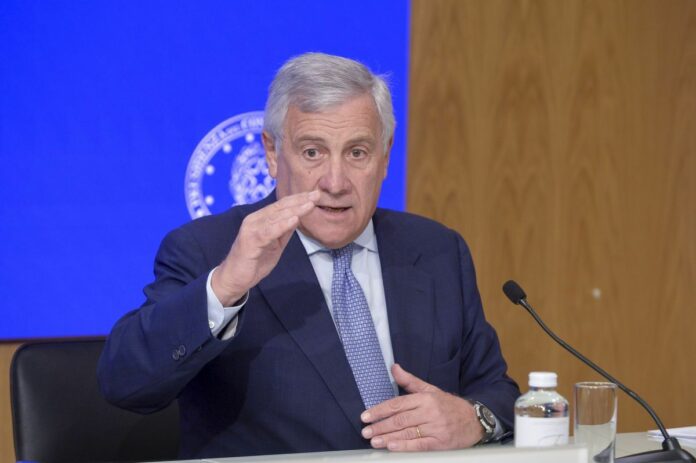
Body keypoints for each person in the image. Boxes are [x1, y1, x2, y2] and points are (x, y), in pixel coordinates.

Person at [98, 52, 520, 459]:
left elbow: (498, 392)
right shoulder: (208, 249)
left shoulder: (435, 250)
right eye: (312, 152)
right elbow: (125, 383)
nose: (335, 182)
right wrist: (225, 286)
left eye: (357, 153)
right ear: (271, 154)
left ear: (385, 156)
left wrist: (475, 419)